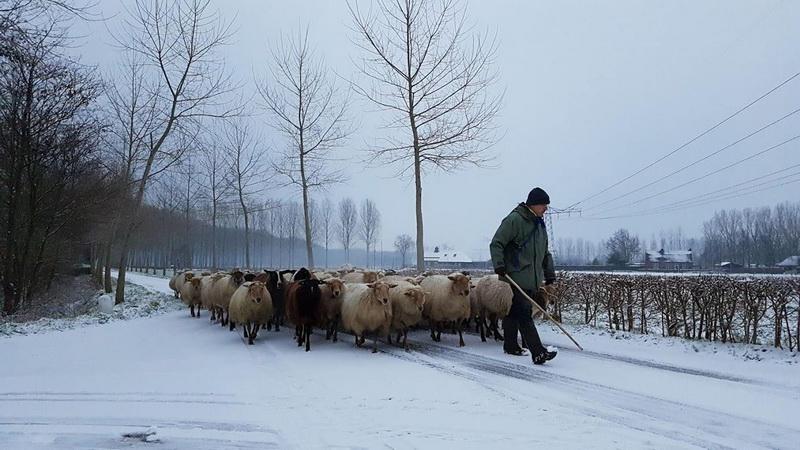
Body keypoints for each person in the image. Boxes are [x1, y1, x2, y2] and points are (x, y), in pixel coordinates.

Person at [489, 187, 558, 365]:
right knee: (525, 311)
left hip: (532, 277)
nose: (546, 209)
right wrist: (499, 265)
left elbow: (545, 252)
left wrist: (549, 274)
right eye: (544, 205)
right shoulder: (514, 220)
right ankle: (538, 352)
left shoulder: (539, 225)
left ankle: (510, 345)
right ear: (534, 204)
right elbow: (497, 243)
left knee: (514, 311)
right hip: (517, 275)